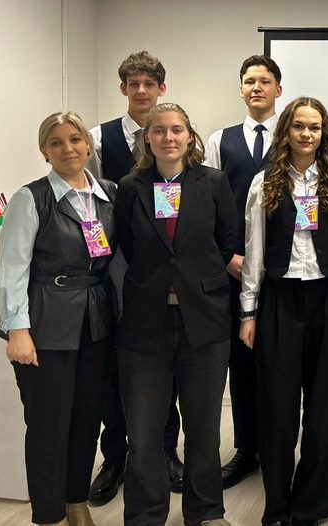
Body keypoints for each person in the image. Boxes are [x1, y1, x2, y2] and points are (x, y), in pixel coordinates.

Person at [114, 103, 238, 526]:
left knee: (203, 429)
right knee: (144, 433)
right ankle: (146, 515)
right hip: (144, 323)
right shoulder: (130, 187)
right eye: (159, 130)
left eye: (177, 129)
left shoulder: (214, 182)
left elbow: (227, 242)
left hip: (204, 320)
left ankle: (206, 513)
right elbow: (128, 245)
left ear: (189, 136)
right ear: (147, 139)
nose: (168, 137)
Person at [240, 97, 328, 526]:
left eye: (314, 127)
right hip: (279, 300)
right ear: (286, 131)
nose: (306, 134)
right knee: (278, 409)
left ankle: (312, 505)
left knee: (326, 409)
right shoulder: (264, 182)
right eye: (298, 126)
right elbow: (254, 249)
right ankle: (277, 505)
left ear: (324, 133)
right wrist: (248, 311)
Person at [0, 111, 117, 526]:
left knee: (86, 420)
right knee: (48, 425)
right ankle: (48, 515)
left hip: (95, 324)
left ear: (88, 144)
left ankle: (76, 502)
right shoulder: (31, 198)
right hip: (46, 326)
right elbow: (12, 268)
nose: (68, 149)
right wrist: (17, 329)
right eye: (56, 142)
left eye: (75, 139)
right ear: (44, 151)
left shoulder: (108, 193)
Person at [87, 50, 184, 502]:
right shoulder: (98, 139)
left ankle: (166, 452)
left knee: (165, 367)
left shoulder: (173, 134)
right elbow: (89, 203)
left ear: (162, 88)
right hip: (114, 268)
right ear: (123, 88)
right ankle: (115, 459)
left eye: (149, 84)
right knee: (114, 370)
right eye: (133, 84)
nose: (141, 91)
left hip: (163, 273)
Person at [204, 54, 283, 489]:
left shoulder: (294, 135)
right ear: (240, 89)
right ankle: (246, 450)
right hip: (235, 269)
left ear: (278, 90)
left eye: (265, 81)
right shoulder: (221, 140)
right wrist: (226, 256)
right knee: (243, 362)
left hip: (284, 269)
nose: (257, 87)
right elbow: (210, 204)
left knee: (281, 365)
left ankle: (277, 451)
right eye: (250, 81)